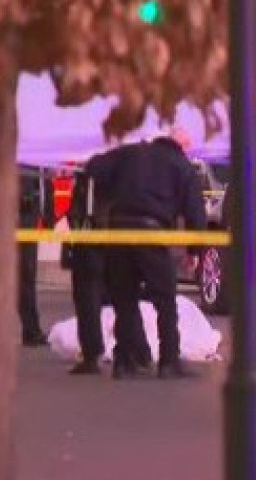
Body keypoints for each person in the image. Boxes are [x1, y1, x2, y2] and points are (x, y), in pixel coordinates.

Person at [89, 130, 208, 379]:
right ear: (182, 146)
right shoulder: (182, 165)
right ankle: (169, 361)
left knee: (124, 299)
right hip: (152, 233)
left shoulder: (130, 153)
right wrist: (194, 251)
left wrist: (115, 188)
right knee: (165, 301)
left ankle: (123, 362)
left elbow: (94, 167)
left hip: (119, 230)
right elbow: (195, 212)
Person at [63, 168, 107, 374]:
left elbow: (78, 212)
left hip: (90, 241)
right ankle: (134, 353)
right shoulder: (121, 169)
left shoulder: (90, 173)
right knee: (124, 298)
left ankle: (92, 353)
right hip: (113, 240)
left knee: (87, 298)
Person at [18, 167, 55, 346]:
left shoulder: (40, 161)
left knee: (27, 277)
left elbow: (46, 186)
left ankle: (31, 329)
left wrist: (49, 219)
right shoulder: (20, 159)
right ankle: (30, 329)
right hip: (17, 219)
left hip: (30, 220)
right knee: (20, 277)